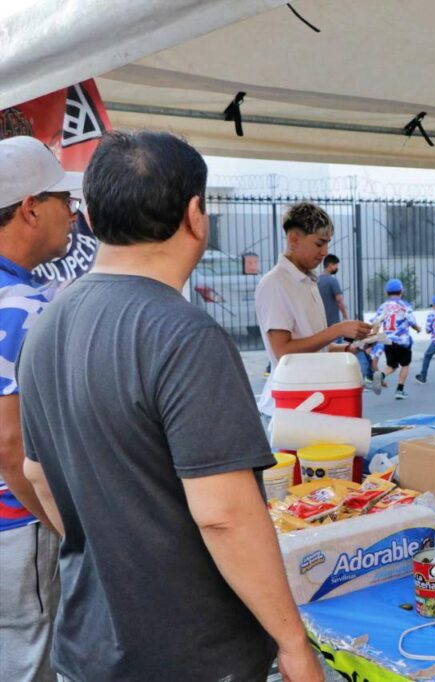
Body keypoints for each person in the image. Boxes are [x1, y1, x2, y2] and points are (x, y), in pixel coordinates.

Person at [17, 131, 323, 682]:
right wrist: (292, 642)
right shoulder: (184, 335)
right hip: (191, 652)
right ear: (195, 215)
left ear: (92, 216)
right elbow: (224, 514)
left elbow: (37, 475)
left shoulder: (46, 328)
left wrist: (113, 545)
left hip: (87, 643)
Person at [0, 136, 79, 682]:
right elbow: (11, 446)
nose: (74, 216)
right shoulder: (24, 307)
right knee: (32, 664)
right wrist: (66, 530)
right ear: (31, 206)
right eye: (65, 202)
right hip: (19, 524)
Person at [255, 202, 373, 413]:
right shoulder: (275, 283)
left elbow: (314, 348)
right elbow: (283, 352)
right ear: (294, 238)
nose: (325, 252)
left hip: (314, 399)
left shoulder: (308, 281)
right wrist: (338, 330)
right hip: (289, 407)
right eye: (319, 244)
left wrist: (349, 348)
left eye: (327, 243)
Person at [374, 278, 421, 399]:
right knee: (405, 365)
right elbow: (411, 321)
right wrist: (418, 328)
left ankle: (382, 375)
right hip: (403, 342)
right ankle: (399, 390)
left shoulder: (383, 306)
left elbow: (376, 322)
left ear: (386, 293)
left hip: (388, 341)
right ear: (401, 291)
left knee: (391, 365)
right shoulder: (405, 305)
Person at [317, 253, 350, 324]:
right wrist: (346, 316)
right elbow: (339, 300)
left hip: (319, 321)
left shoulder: (317, 281)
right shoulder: (333, 281)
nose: (337, 268)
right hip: (332, 321)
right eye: (336, 265)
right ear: (330, 265)